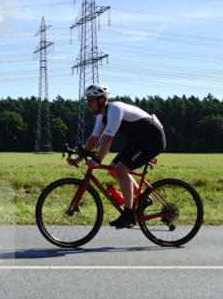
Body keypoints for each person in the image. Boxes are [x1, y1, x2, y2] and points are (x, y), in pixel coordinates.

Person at [67, 84, 166, 229]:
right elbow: (94, 139)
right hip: (140, 140)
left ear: (102, 100)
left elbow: (107, 138)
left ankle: (128, 213)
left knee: (120, 169)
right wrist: (78, 159)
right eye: (87, 101)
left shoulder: (114, 109)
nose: (88, 104)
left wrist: (97, 160)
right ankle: (141, 199)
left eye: (91, 100)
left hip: (153, 139)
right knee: (114, 169)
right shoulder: (101, 116)